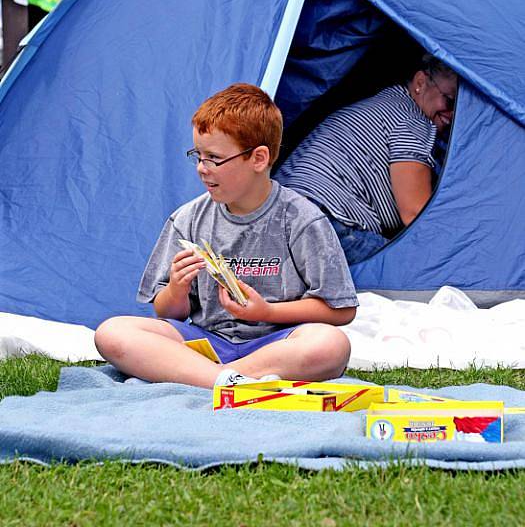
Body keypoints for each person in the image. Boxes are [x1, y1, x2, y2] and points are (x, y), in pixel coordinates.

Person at [95, 83, 358, 389]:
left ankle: (218, 378)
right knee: (112, 332)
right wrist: (177, 289)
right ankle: (230, 381)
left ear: (258, 159)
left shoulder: (302, 219)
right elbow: (167, 312)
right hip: (206, 343)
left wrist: (268, 312)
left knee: (331, 344)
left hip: (277, 344)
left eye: (214, 158)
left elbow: (341, 310)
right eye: (198, 156)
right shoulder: (188, 218)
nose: (202, 169)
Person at [275, 54, 457, 265]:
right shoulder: (413, 122)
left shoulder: (384, 105)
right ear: (420, 83)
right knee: (413, 272)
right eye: (450, 100)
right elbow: (416, 214)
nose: (452, 114)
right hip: (323, 220)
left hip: (276, 215)